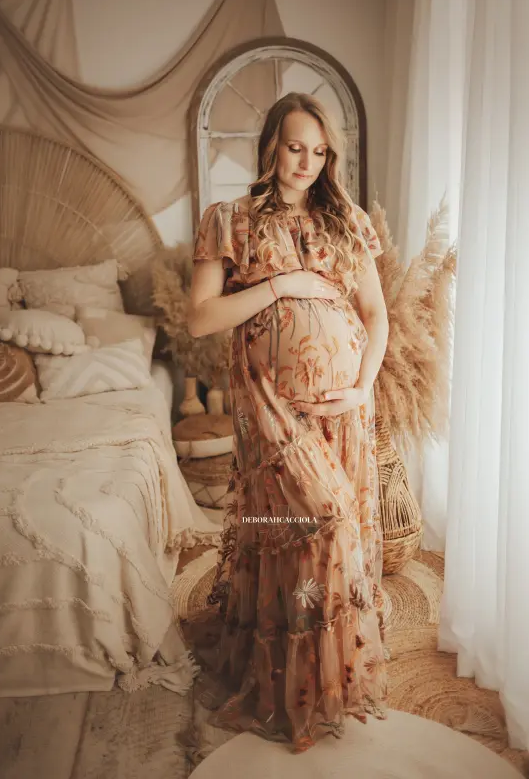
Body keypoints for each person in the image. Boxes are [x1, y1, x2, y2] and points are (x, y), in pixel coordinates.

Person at [182, 91, 389, 754]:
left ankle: (321, 687)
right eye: (294, 146)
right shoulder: (230, 220)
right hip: (268, 403)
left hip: (342, 408)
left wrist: (360, 389)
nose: (305, 162)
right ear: (271, 144)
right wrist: (280, 286)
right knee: (316, 521)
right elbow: (199, 318)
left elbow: (376, 316)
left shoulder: (345, 221)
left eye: (318, 150)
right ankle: (286, 692)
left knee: (316, 537)